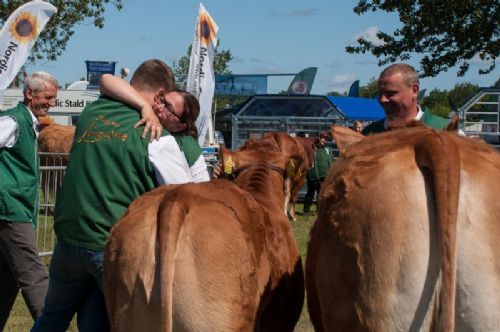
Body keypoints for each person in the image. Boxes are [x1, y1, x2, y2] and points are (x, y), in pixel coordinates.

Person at [32, 59, 201, 332]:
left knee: (51, 320)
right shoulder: (157, 135)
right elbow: (189, 196)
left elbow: (108, 82)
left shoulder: (92, 110)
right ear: (159, 94)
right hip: (111, 247)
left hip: (68, 239)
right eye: (164, 102)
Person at [0, 71, 58, 330]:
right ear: (29, 94)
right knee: (34, 274)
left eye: (53, 98)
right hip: (9, 210)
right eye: (47, 97)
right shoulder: (12, 121)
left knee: (7, 277)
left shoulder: (28, 122)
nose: (51, 103)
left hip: (15, 208)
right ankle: (51, 325)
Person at [99, 74, 209, 182]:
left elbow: (197, 190)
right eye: (163, 100)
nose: (158, 107)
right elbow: (106, 78)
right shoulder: (145, 116)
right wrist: (145, 106)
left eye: (168, 109)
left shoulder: (186, 145)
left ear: (179, 127)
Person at [362, 63, 451, 135]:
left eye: (390, 93)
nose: (382, 99)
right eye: (380, 93)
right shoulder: (369, 134)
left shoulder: (446, 130)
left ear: (414, 91)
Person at [303, 132, 334, 215]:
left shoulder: (328, 150)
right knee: (310, 193)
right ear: (318, 138)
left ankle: (319, 210)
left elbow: (331, 161)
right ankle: (306, 210)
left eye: (326, 139)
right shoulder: (313, 149)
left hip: (324, 176)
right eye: (322, 138)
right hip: (313, 176)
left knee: (321, 194)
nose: (324, 140)